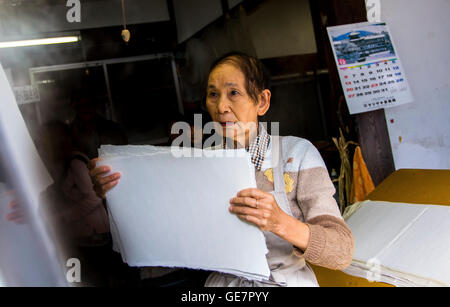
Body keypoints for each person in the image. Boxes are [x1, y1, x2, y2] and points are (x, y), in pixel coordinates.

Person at [88, 52, 354, 287]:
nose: (221, 106)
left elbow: (341, 251)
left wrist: (279, 222)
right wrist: (115, 193)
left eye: (233, 93)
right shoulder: (202, 162)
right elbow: (167, 235)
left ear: (262, 101)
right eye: (213, 94)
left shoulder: (298, 156)